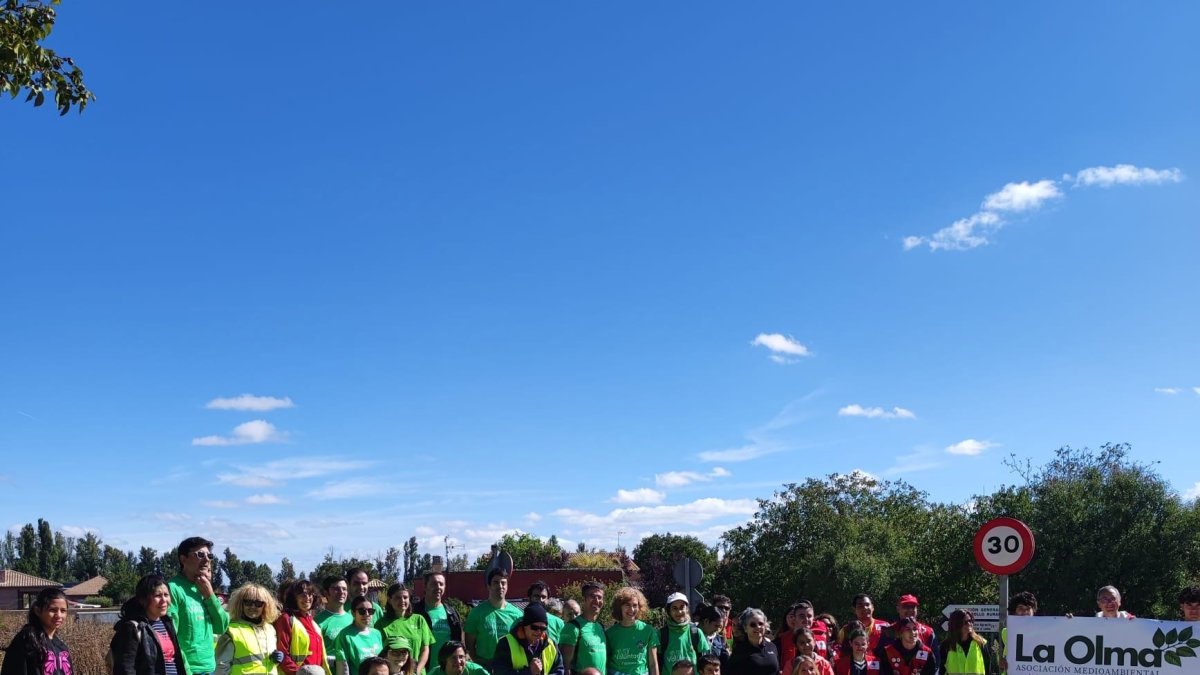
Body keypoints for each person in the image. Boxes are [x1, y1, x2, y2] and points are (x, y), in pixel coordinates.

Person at [169, 537, 230, 675]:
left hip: (210, 668)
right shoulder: (173, 589)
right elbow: (170, 636)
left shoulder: (204, 588)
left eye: (209, 556)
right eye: (200, 555)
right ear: (183, 559)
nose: (207, 560)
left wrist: (210, 595)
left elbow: (221, 627)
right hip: (188, 669)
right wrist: (186, 670)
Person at [110, 574, 188, 675]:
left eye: (166, 595)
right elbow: (125, 669)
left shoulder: (167, 623)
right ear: (143, 600)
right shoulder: (132, 628)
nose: (164, 600)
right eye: (158, 596)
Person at [215, 583, 285, 675]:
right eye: (248, 602)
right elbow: (221, 667)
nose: (252, 607)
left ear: (265, 606)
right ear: (241, 604)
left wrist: (276, 659)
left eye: (258, 603)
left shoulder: (270, 629)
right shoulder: (231, 631)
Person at [1, 587, 73, 675]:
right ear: (38, 611)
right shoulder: (27, 641)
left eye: (63, 611)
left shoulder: (61, 647)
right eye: (52, 610)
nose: (58, 615)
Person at [466, 570, 525, 667]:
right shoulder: (476, 613)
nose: (500, 586)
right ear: (488, 586)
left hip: (510, 666)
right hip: (485, 666)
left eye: (503, 583)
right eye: (496, 582)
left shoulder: (518, 615)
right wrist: (479, 664)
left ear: (507, 586)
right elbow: (470, 646)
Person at [377, 584, 435, 675]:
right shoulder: (381, 624)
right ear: (389, 599)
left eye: (405, 597)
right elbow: (380, 653)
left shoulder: (419, 620)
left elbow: (425, 649)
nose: (402, 601)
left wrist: (416, 671)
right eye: (397, 598)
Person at [492, 603, 565, 675]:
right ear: (525, 625)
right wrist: (529, 672)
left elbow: (559, 670)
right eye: (534, 627)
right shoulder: (506, 643)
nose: (539, 631)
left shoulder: (551, 644)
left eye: (543, 628)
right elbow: (499, 672)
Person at [276, 579, 329, 675]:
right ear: (293, 598)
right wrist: (299, 673)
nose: (307, 598)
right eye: (302, 594)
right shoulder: (286, 619)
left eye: (310, 594)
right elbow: (282, 654)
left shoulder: (312, 622)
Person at [605, 587, 658, 675]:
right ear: (619, 607)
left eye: (634, 605)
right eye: (627, 605)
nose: (631, 609)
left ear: (639, 607)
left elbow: (653, 664)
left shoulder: (648, 630)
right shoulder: (610, 633)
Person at [414, 572, 463, 667]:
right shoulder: (415, 612)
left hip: (447, 670)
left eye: (441, 584)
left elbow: (458, 643)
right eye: (434, 584)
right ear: (425, 586)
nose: (438, 587)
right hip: (423, 670)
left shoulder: (452, 613)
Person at [561, 581, 607, 675]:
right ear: (584, 599)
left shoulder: (600, 627)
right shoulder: (573, 627)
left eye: (600, 597)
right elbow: (565, 665)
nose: (597, 600)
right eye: (592, 596)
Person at [659, 593, 709, 674]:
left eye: (682, 607)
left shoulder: (696, 632)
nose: (679, 612)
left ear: (687, 609)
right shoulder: (661, 634)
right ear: (669, 612)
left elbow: (706, 662)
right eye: (674, 608)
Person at [335, 596, 385, 675]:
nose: (367, 614)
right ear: (353, 613)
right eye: (362, 611)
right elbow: (342, 666)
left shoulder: (377, 634)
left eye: (370, 611)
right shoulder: (345, 635)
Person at [937, 611, 991, 675]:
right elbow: (941, 670)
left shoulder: (981, 643)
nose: (969, 624)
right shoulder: (946, 645)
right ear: (956, 624)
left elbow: (987, 668)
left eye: (970, 621)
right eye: (965, 622)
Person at [318, 577, 355, 672]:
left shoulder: (354, 619)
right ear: (326, 593)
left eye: (344, 589)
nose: (341, 592)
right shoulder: (317, 622)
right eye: (336, 589)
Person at [728, 609, 777, 675]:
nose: (758, 627)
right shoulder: (739, 650)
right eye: (753, 625)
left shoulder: (772, 647)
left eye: (761, 624)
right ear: (745, 628)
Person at [775, 605, 800, 675]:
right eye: (791, 616)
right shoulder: (779, 640)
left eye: (797, 616)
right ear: (785, 619)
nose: (794, 619)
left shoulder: (810, 638)